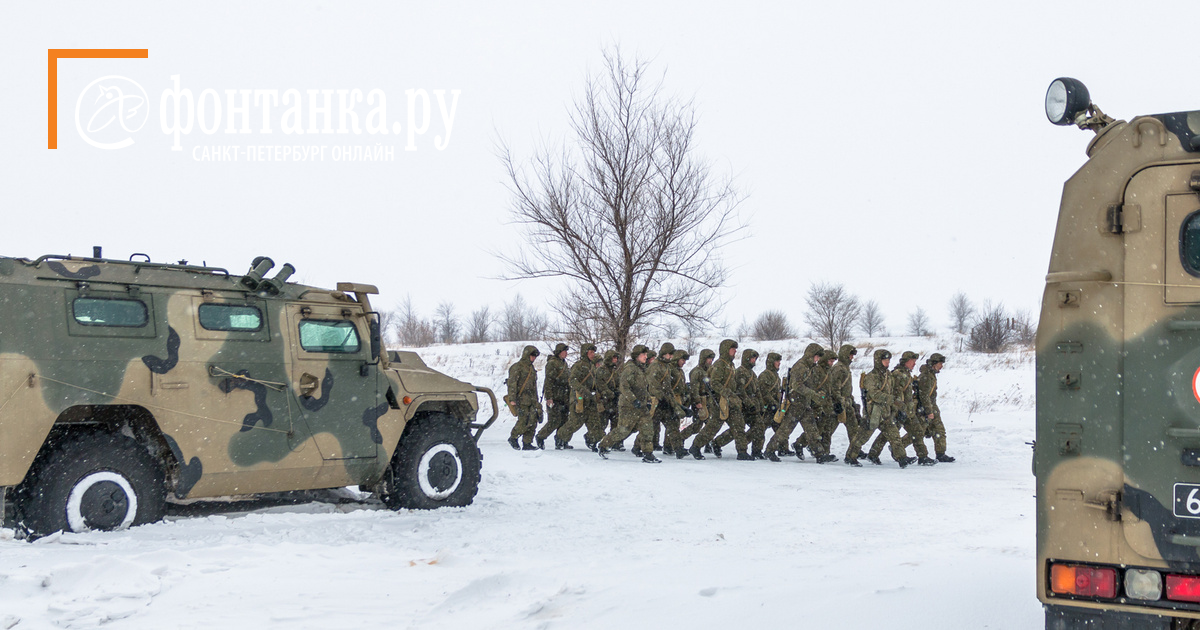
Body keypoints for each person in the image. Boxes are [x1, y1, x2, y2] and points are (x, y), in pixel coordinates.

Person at [846, 349, 909, 467]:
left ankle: (902, 458)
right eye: (885, 360)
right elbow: (874, 394)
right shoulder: (871, 377)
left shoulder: (888, 375)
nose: (887, 362)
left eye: (888, 360)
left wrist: (897, 406)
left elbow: (893, 390)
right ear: (878, 361)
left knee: (894, 436)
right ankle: (850, 456)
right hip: (873, 412)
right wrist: (892, 400)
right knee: (862, 437)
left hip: (886, 413)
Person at [598, 345, 660, 463]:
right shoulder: (630, 369)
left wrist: (647, 400)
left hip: (641, 406)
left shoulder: (642, 369)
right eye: (643, 355)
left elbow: (644, 388)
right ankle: (604, 445)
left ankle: (648, 453)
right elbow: (624, 387)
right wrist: (634, 400)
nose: (646, 357)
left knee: (648, 428)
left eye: (646, 355)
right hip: (628, 406)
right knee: (623, 430)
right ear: (637, 356)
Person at [765, 343, 824, 461]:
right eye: (816, 356)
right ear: (811, 355)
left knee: (812, 429)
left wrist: (816, 395)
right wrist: (812, 394)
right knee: (785, 430)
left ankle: (819, 454)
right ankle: (770, 450)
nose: (817, 359)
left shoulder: (809, 367)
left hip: (804, 403)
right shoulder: (801, 367)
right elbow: (797, 386)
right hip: (796, 404)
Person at [867, 350, 922, 466]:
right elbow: (894, 393)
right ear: (906, 361)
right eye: (912, 361)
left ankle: (875, 453)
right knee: (890, 433)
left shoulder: (905, 374)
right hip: (898, 409)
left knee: (891, 434)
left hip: (904, 409)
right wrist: (899, 408)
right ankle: (895, 455)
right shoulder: (898, 374)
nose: (914, 364)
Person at [707, 339, 752, 460]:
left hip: (731, 401)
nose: (735, 351)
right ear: (727, 350)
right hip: (720, 401)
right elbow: (714, 383)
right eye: (733, 349)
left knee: (739, 425)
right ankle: (696, 446)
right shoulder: (719, 364)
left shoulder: (731, 365)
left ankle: (742, 452)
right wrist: (726, 393)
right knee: (713, 427)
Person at [554, 343, 601, 450]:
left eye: (594, 352)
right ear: (585, 353)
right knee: (575, 422)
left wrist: (596, 392)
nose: (593, 354)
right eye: (591, 352)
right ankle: (560, 438)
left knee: (595, 422)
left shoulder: (592, 366)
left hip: (591, 399)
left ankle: (592, 440)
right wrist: (583, 390)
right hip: (579, 398)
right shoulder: (579, 365)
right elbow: (572, 380)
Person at [647, 342, 686, 455]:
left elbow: (668, 388)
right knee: (650, 427)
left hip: (665, 401)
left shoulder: (667, 367)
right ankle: (637, 446)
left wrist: (671, 402)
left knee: (672, 425)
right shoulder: (655, 366)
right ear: (664, 354)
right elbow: (653, 386)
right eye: (669, 354)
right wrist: (662, 398)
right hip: (656, 402)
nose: (671, 357)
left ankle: (678, 449)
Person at [919, 352, 956, 463]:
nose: (941, 366)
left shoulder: (931, 375)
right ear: (934, 363)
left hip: (932, 407)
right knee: (918, 432)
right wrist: (929, 411)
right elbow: (924, 396)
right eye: (940, 363)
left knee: (938, 430)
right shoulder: (926, 376)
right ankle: (898, 447)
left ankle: (941, 453)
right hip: (927, 408)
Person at [506, 345, 542, 451]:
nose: (534, 358)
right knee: (523, 421)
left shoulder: (531, 368)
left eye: (535, 356)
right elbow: (512, 384)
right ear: (527, 354)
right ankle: (513, 437)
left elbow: (533, 386)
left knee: (533, 420)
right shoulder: (517, 367)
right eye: (532, 355)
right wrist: (512, 399)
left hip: (531, 399)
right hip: (520, 399)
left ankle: (527, 443)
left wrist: (536, 401)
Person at [681, 348, 715, 459]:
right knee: (699, 425)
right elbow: (694, 389)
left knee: (707, 424)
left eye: (711, 359)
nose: (710, 361)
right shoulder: (697, 372)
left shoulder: (709, 371)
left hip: (708, 400)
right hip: (700, 401)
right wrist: (697, 402)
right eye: (708, 358)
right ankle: (681, 439)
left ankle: (706, 444)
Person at [535, 343, 571, 449]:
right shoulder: (552, 363)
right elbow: (549, 381)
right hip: (555, 397)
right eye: (564, 351)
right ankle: (541, 436)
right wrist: (549, 397)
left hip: (564, 397)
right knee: (554, 421)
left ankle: (560, 440)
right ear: (559, 352)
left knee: (564, 421)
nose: (566, 353)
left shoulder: (564, 363)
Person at [829, 344, 862, 457]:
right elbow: (834, 388)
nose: (852, 357)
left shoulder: (845, 368)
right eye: (850, 355)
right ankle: (808, 444)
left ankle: (855, 450)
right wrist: (839, 401)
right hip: (839, 404)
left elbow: (847, 389)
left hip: (846, 403)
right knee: (829, 428)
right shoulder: (839, 368)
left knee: (853, 427)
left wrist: (852, 401)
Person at [734, 349, 765, 458]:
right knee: (737, 429)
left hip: (753, 406)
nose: (753, 360)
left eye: (755, 358)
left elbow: (757, 392)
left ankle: (756, 451)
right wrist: (748, 403)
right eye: (752, 358)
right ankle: (718, 443)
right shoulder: (740, 372)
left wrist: (761, 406)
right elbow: (740, 391)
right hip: (743, 406)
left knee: (759, 427)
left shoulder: (753, 374)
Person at [757, 352, 784, 455]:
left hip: (774, 407)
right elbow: (763, 392)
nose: (779, 363)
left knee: (780, 428)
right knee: (760, 429)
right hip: (766, 407)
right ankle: (756, 450)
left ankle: (783, 448)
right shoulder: (765, 375)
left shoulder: (776, 376)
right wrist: (773, 403)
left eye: (779, 361)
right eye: (777, 361)